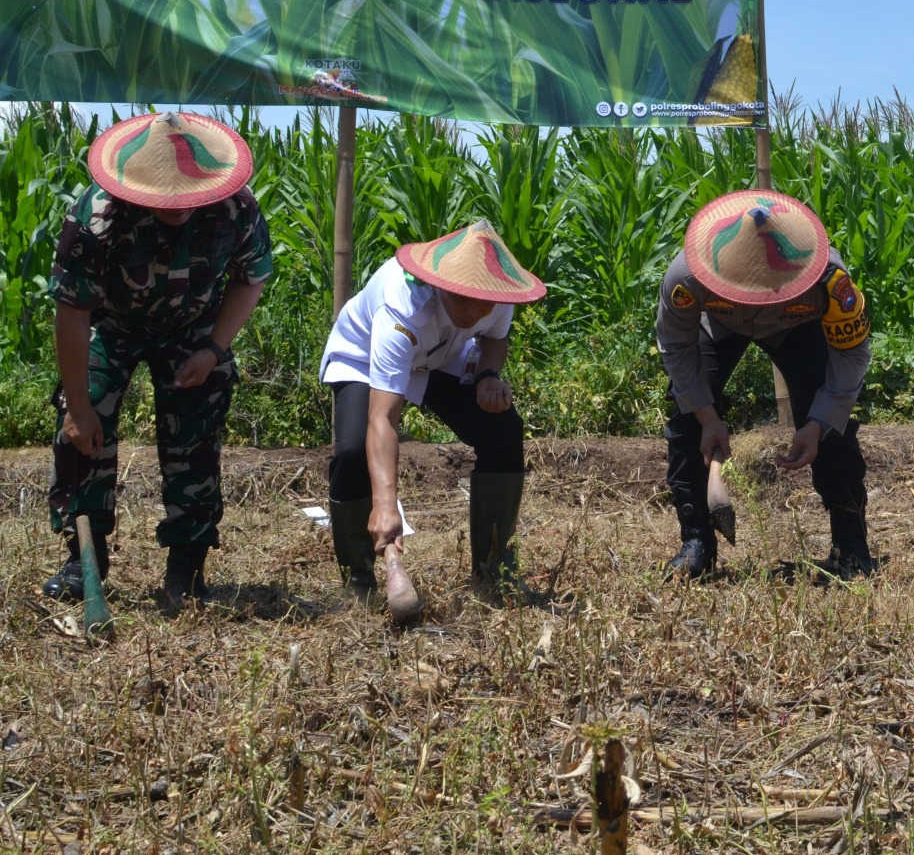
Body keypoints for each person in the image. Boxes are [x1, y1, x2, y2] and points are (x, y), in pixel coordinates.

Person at [44, 111, 273, 610]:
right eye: (163, 195)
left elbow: (249, 279)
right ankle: (85, 558)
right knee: (86, 419)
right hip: (112, 323)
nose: (176, 204)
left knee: (196, 429)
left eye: (186, 194)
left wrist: (213, 349)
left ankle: (187, 568)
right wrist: (79, 407)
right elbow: (72, 310)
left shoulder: (235, 208)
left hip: (193, 325)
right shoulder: (98, 213)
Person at [319, 220, 546, 603]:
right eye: (462, 300)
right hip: (363, 357)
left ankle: (494, 569)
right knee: (353, 451)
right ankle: (359, 581)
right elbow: (383, 419)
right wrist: (386, 504)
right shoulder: (401, 307)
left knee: (503, 430)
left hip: (439, 357)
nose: (474, 311)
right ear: (442, 285)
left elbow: (495, 338)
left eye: (483, 302)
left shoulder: (496, 294)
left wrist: (489, 375)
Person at [656, 189, 875, 580]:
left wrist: (818, 422)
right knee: (688, 415)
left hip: (797, 326)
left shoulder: (830, 281)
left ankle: (851, 547)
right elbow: (677, 346)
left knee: (833, 427)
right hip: (721, 324)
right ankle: (696, 543)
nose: (758, 301)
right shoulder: (686, 277)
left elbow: (852, 356)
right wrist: (706, 416)